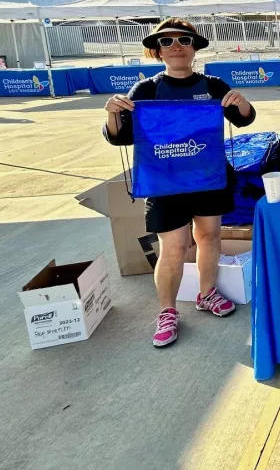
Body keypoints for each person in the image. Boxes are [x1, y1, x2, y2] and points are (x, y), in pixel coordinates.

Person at [103, 18, 255, 348]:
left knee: (210, 237)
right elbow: (121, 137)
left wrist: (241, 102)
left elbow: (244, 118)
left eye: (184, 40)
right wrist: (112, 114)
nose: (176, 47)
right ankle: (168, 311)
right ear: (157, 51)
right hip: (165, 184)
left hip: (209, 179)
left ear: (194, 47)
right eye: (167, 42)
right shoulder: (145, 91)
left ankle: (206, 292)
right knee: (173, 248)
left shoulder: (213, 86)